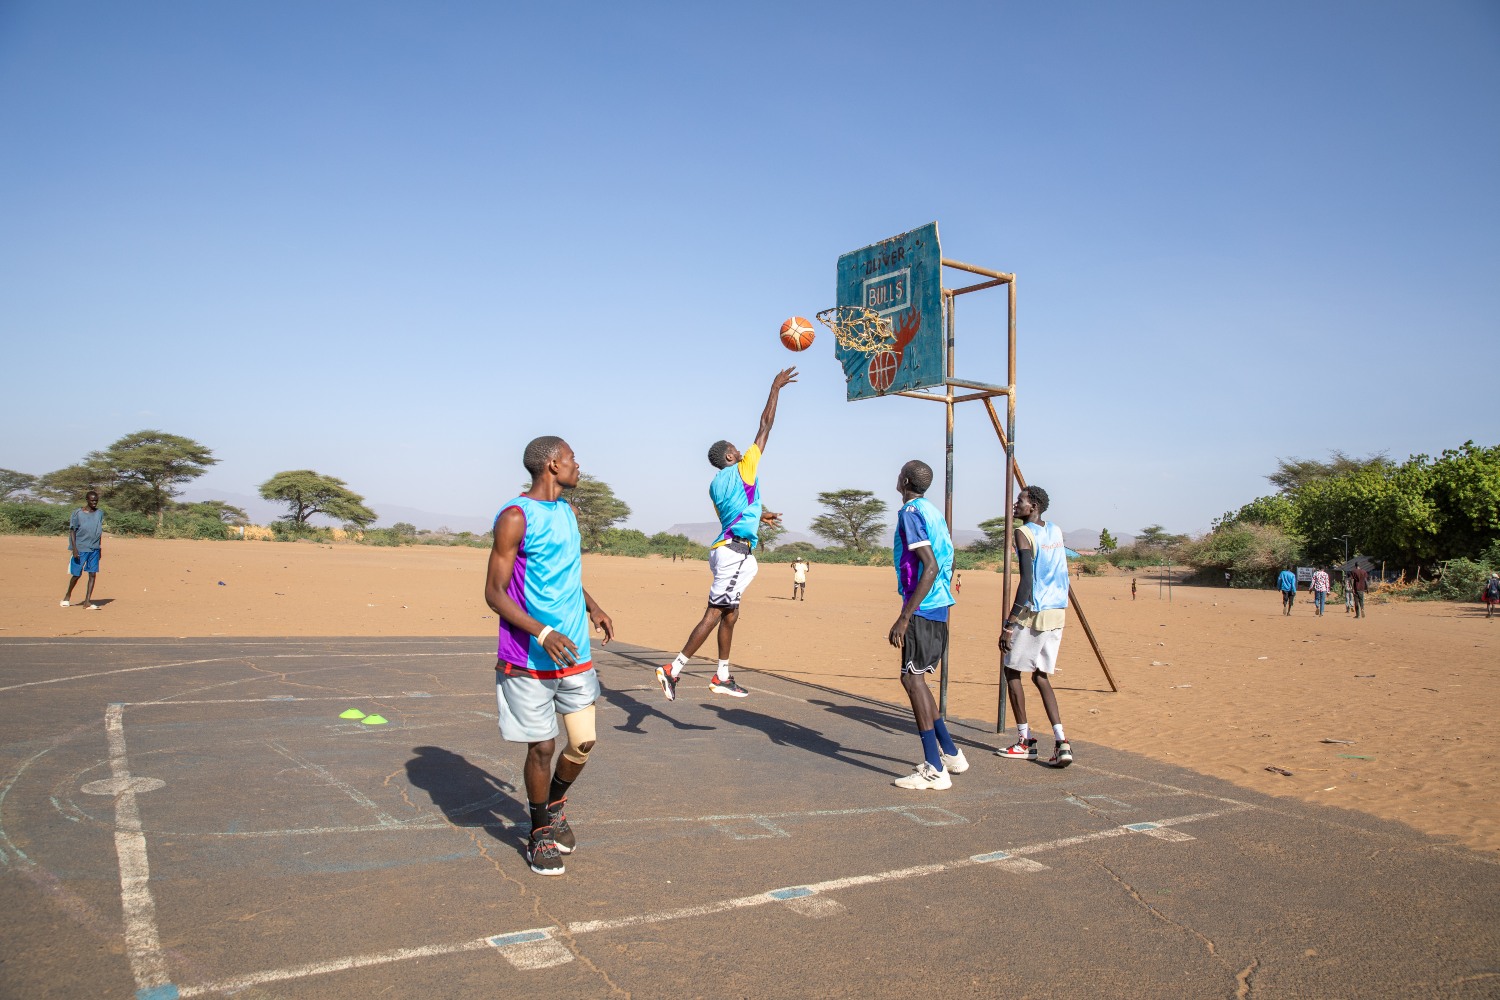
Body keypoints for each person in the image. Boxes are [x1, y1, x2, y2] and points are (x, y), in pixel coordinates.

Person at [484, 436, 614, 877]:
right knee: (542, 746)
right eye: (574, 459)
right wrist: (542, 631)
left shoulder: (568, 512)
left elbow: (565, 573)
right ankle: (539, 829)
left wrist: (592, 606)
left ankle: (556, 803)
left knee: (582, 742)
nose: (579, 465)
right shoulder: (515, 517)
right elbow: (494, 593)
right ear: (553, 464)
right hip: (527, 655)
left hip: (574, 649)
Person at [657, 367, 797, 701]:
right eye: (737, 448)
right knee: (716, 613)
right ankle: (673, 669)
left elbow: (737, 512)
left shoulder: (717, 484)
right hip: (734, 553)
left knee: (731, 613)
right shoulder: (744, 466)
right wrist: (775, 387)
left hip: (731, 549)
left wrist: (762, 515)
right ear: (730, 455)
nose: (743, 450)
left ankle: (722, 675)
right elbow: (765, 425)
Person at [887, 459, 965, 790]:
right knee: (916, 678)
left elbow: (929, 566)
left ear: (904, 480)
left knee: (911, 678)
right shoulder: (933, 512)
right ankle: (949, 752)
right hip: (939, 605)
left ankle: (934, 768)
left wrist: (905, 616)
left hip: (924, 606)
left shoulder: (911, 512)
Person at [997, 485, 1074, 768]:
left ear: (1035, 506)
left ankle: (1025, 741)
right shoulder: (1055, 530)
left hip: (1036, 611)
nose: (1016, 505)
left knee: (1011, 669)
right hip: (1058, 612)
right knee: (1041, 676)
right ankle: (1061, 741)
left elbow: (1027, 581)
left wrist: (1009, 623)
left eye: (1021, 501)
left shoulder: (1024, 533)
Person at [62, 490, 104, 609]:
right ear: (87, 500)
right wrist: (74, 548)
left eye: (96, 500)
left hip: (94, 548)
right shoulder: (78, 513)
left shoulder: (100, 513)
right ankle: (67, 596)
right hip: (81, 548)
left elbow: (98, 531)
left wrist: (99, 547)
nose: (94, 502)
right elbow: (72, 531)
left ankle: (87, 601)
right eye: (92, 500)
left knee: (92, 574)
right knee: (76, 574)